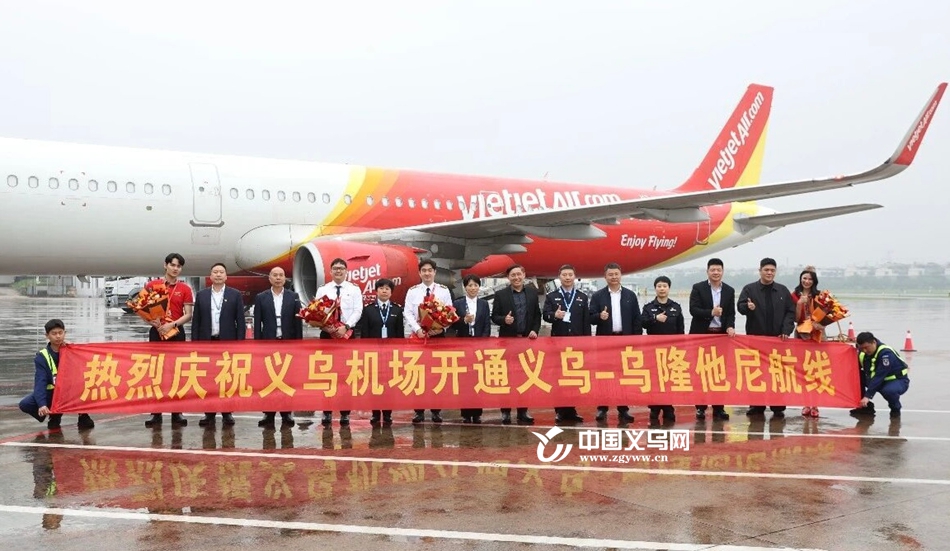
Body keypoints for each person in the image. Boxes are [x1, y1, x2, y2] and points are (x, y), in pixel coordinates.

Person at [737, 257, 796, 417]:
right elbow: (740, 307)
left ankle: (778, 406)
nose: (769, 273)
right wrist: (747, 307)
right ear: (760, 271)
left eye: (772, 270)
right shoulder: (750, 289)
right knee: (757, 373)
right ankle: (757, 405)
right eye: (766, 270)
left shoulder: (782, 290)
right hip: (756, 340)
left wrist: (786, 330)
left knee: (777, 373)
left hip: (778, 340)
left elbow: (791, 312)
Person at [191, 262, 245, 427]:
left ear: (226, 276)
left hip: (227, 343)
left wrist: (240, 344)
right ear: (210, 276)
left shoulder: (235, 295)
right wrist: (195, 345)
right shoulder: (202, 295)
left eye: (221, 272)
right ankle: (209, 413)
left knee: (226, 379)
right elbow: (196, 321)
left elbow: (240, 322)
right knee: (208, 380)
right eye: (215, 272)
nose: (218, 274)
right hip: (207, 343)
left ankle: (227, 412)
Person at [144, 253, 193, 428]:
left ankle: (176, 412)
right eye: (172, 265)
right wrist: (153, 322)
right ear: (165, 265)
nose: (175, 268)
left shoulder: (185, 289)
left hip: (176, 332)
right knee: (156, 371)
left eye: (178, 266)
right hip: (156, 332)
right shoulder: (152, 286)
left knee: (176, 372)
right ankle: (156, 413)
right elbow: (143, 308)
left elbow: (188, 314)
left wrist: (172, 324)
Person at [19, 319, 95, 430]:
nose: (58, 336)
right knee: (25, 404)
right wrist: (42, 404)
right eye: (54, 333)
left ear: (65, 333)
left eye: (60, 333)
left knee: (84, 386)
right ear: (47, 336)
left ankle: (83, 414)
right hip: (54, 392)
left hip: (73, 390)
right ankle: (54, 414)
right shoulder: (42, 357)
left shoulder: (73, 350)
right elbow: (40, 382)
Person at [588, 262, 640, 423]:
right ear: (605, 277)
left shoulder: (630, 295)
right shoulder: (598, 296)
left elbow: (636, 319)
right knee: (604, 375)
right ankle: (602, 408)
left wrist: (636, 340)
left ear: (620, 275)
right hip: (606, 341)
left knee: (623, 375)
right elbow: (590, 317)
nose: (614, 277)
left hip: (625, 341)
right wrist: (599, 316)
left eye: (616, 274)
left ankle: (623, 409)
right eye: (610, 274)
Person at [315, 258, 363, 427]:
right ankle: (327, 411)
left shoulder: (354, 289)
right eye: (335, 268)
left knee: (345, 374)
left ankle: (345, 413)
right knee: (327, 373)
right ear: (330, 271)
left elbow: (358, 310)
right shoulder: (323, 289)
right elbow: (317, 311)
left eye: (341, 268)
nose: (338, 271)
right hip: (327, 335)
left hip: (347, 335)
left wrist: (346, 326)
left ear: (346, 271)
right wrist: (327, 327)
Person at [253, 266, 303, 427]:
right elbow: (257, 323)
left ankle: (286, 413)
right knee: (268, 379)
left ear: (284, 278)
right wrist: (258, 345)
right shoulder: (261, 297)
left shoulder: (293, 297)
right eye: (275, 275)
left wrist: (298, 345)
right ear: (270, 278)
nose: (278, 278)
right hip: (268, 343)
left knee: (287, 379)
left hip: (287, 343)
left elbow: (298, 323)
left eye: (281, 275)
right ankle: (268, 414)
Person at [403, 259, 452, 424]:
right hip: (419, 336)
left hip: (437, 336)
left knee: (437, 374)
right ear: (419, 273)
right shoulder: (413, 291)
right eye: (424, 270)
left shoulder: (443, 291)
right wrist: (418, 329)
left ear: (435, 272)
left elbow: (449, 312)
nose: (427, 273)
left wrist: (441, 328)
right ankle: (419, 411)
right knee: (419, 373)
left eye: (430, 270)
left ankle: (436, 411)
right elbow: (408, 313)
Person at [490, 264, 539, 425]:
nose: (516, 277)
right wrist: (504, 320)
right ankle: (505, 412)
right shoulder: (501, 295)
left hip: (526, 341)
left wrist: (534, 330)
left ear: (524, 275)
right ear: (508, 277)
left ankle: (522, 411)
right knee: (506, 377)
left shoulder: (532, 293)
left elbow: (537, 316)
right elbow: (494, 316)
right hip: (508, 341)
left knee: (525, 377)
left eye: (519, 274)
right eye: (513, 275)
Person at [688, 258, 735, 421]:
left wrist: (730, 326)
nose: (716, 273)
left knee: (719, 372)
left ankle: (718, 407)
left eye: (718, 270)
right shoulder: (698, 288)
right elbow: (693, 310)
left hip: (720, 336)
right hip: (702, 335)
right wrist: (711, 312)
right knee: (701, 372)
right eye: (713, 270)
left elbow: (730, 313)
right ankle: (700, 407)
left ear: (723, 271)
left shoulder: (729, 290)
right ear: (707, 271)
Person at [543, 264, 590, 424]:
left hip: (577, 343)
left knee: (573, 377)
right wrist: (554, 315)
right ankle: (560, 411)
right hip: (559, 343)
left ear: (574, 276)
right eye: (564, 275)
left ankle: (572, 409)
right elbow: (545, 315)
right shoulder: (552, 296)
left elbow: (586, 322)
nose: (568, 277)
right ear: (559, 277)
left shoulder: (582, 297)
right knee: (559, 377)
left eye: (570, 274)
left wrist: (586, 342)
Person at [358, 278, 404, 426]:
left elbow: (400, 334)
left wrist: (399, 353)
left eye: (387, 289)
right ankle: (376, 413)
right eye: (381, 288)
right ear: (376, 291)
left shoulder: (397, 310)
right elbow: (364, 333)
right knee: (375, 384)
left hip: (390, 354)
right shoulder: (368, 310)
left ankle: (388, 413)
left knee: (389, 384)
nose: (384, 291)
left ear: (391, 292)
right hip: (373, 353)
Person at [641, 276, 684, 424]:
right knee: (654, 380)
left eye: (664, 286)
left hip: (671, 351)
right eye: (659, 286)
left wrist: (680, 348)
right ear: (655, 288)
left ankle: (668, 407)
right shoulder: (648, 307)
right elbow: (642, 323)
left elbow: (680, 329)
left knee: (668, 379)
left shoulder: (676, 307)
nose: (662, 289)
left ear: (669, 288)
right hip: (653, 351)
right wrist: (655, 318)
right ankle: (654, 408)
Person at [451, 274, 491, 423]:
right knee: (465, 380)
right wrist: (464, 320)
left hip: (479, 345)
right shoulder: (458, 303)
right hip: (463, 345)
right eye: (470, 285)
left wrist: (483, 341)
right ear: (465, 287)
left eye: (475, 285)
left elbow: (486, 324)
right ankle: (466, 413)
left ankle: (477, 413)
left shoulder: (483, 304)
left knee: (478, 378)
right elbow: (452, 324)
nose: (473, 288)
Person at [790, 268, 823, 417]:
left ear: (814, 281)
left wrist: (820, 324)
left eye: (810, 279)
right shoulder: (794, 295)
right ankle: (805, 403)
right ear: (800, 279)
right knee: (803, 370)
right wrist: (799, 304)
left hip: (817, 334)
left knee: (816, 369)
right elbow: (796, 319)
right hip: (801, 333)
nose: (807, 281)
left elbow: (826, 316)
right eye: (804, 278)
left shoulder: (820, 296)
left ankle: (815, 404)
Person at [855, 332, 910, 418]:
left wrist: (868, 396)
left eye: (866, 347)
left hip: (895, 380)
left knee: (889, 391)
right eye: (862, 348)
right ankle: (865, 407)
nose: (864, 350)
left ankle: (895, 410)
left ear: (874, 342)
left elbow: (879, 376)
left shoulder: (886, 354)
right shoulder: (862, 352)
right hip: (874, 379)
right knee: (854, 378)